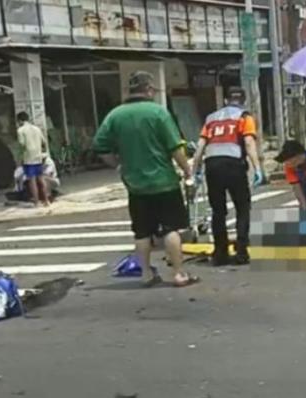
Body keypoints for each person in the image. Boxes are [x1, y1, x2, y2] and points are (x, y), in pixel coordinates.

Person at [93, 71, 199, 288]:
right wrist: (188, 170)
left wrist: (118, 164)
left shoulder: (115, 115)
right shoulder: (158, 113)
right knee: (171, 229)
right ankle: (179, 274)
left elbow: (100, 147)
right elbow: (175, 148)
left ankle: (146, 275)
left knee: (142, 231)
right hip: (164, 182)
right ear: (149, 89)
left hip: (136, 185)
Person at [191, 87, 263, 266]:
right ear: (244, 101)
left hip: (212, 166)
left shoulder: (211, 118)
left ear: (225, 100)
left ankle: (220, 253)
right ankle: (241, 251)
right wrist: (258, 168)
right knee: (242, 208)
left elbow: (200, 146)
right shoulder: (245, 117)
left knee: (218, 211)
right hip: (234, 166)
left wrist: (196, 170)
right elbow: (248, 142)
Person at [16, 111, 51, 207]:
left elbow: (22, 145)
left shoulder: (20, 130)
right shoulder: (37, 129)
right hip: (38, 157)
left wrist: (19, 158)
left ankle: (36, 202)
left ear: (19, 120)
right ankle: (46, 200)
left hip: (28, 158)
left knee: (32, 180)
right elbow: (43, 142)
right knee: (41, 178)